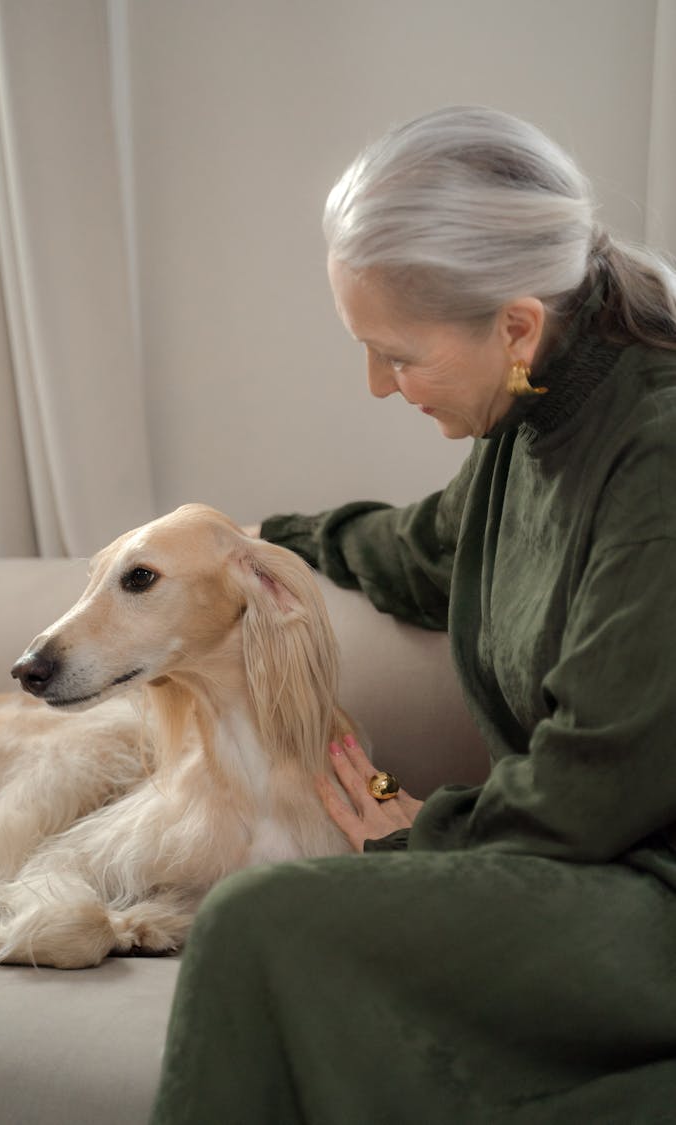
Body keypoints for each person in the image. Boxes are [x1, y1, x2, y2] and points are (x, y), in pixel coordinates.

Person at [149, 106, 676, 1124]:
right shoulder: (535, 410)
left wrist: (424, 832)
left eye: (397, 354)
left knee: (262, 922)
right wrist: (254, 543)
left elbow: (596, 786)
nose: (377, 385)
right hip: (595, 870)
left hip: (649, 896)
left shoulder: (656, 455)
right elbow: (426, 549)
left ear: (516, 326)